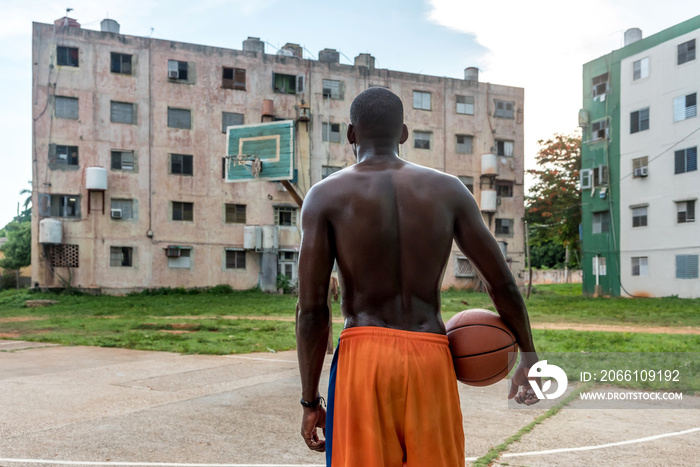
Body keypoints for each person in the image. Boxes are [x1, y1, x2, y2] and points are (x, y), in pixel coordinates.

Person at [296, 88, 539, 467]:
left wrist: (310, 401)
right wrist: (528, 356)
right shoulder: (448, 190)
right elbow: (502, 283)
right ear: (405, 134)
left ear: (350, 134)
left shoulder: (325, 196)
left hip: (364, 357)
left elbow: (312, 310)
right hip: (430, 354)